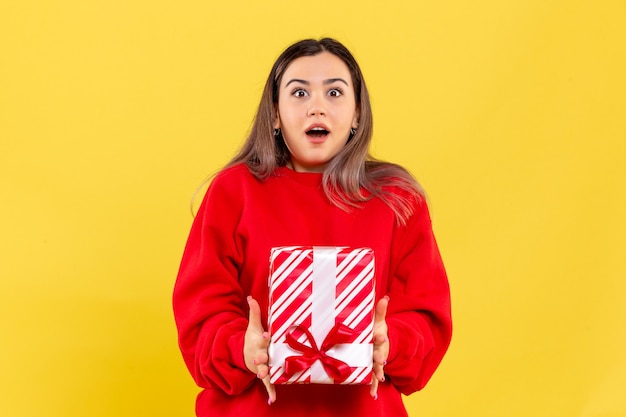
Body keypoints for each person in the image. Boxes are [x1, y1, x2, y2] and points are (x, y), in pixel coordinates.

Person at [173, 37, 452, 417]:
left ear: (357, 114)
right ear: (274, 113)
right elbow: (200, 313)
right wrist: (241, 346)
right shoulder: (232, 191)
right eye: (299, 92)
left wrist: (391, 343)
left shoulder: (397, 199)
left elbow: (426, 315)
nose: (317, 106)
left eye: (334, 92)